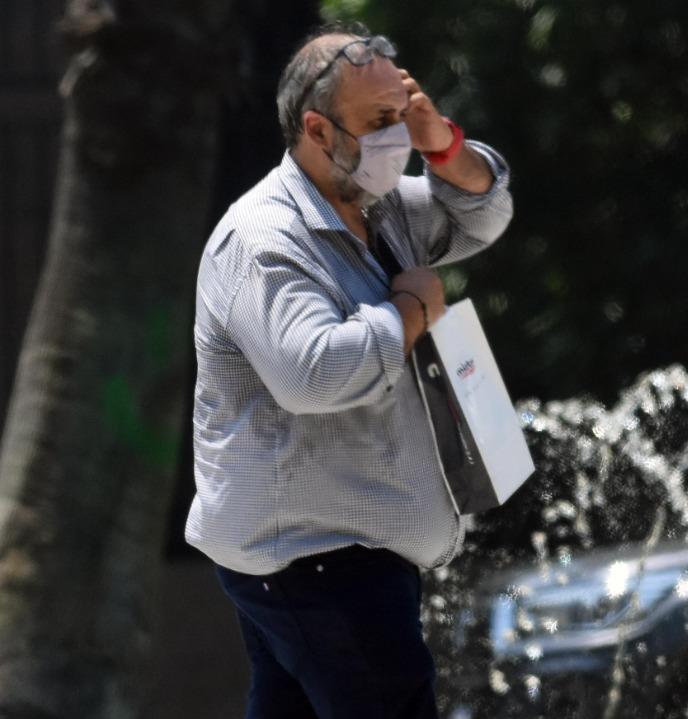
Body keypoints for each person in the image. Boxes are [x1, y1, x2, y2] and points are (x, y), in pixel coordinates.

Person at [184, 22, 513, 719]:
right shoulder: (264, 239)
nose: (395, 139)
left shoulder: (378, 207)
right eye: (380, 121)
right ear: (317, 128)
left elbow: (481, 212)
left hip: (332, 560)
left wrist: (439, 142)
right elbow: (315, 375)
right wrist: (408, 311)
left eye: (400, 114)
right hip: (320, 564)